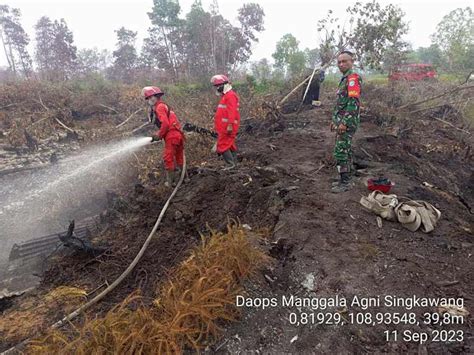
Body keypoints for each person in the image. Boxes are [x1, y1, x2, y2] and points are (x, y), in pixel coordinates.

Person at [330, 51, 362, 193]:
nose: (341, 64)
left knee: (340, 151)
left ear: (352, 61)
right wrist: (334, 121)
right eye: (339, 62)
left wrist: (344, 123)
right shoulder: (345, 78)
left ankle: (346, 182)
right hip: (341, 121)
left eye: (345, 61)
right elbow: (340, 104)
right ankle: (345, 178)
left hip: (347, 122)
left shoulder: (352, 78)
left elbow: (353, 103)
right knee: (345, 150)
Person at [142, 86, 185, 188]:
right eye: (147, 98)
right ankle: (184, 178)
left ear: (154, 97)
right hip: (177, 134)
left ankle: (170, 183)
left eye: (149, 98)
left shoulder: (159, 107)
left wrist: (159, 135)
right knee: (179, 156)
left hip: (171, 135)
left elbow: (165, 123)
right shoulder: (164, 105)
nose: (148, 100)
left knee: (168, 158)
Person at [210, 74, 240, 170]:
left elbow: (232, 112)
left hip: (228, 127)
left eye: (217, 86)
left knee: (222, 145)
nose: (216, 88)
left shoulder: (230, 96)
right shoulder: (226, 96)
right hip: (224, 127)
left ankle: (230, 165)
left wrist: (230, 125)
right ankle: (234, 164)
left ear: (223, 85)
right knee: (230, 145)